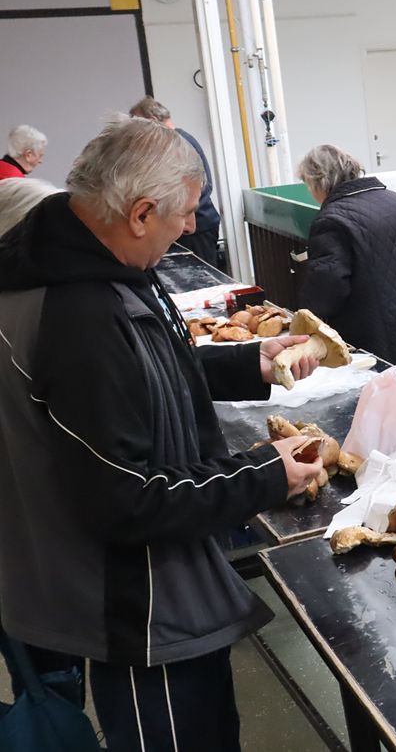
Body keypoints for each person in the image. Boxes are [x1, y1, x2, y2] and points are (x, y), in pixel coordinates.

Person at [0, 117, 323, 751]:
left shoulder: (85, 260)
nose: (193, 227)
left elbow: (130, 378)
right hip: (136, 603)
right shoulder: (76, 310)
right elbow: (129, 497)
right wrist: (265, 472)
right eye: (182, 214)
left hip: (137, 581)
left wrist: (247, 361)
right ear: (141, 212)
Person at [296, 143, 396, 365]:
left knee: (383, 396)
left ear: (319, 181)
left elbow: (327, 287)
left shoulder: (331, 220)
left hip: (372, 340)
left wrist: (303, 322)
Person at [130, 96, 224, 268]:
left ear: (152, 120)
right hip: (196, 222)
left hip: (198, 227)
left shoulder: (177, 144)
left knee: (200, 282)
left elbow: (201, 186)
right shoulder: (180, 140)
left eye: (138, 124)